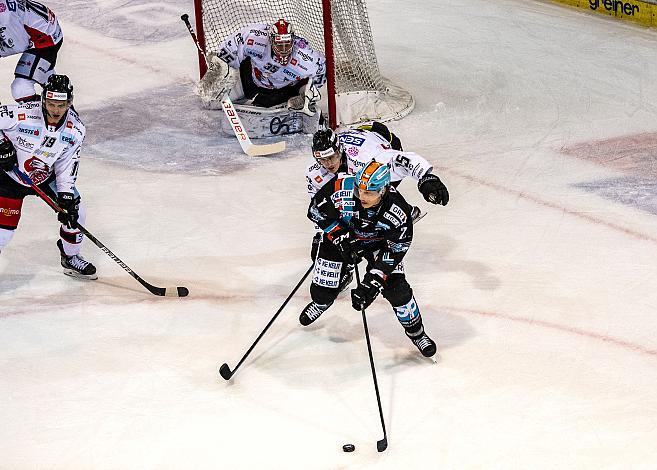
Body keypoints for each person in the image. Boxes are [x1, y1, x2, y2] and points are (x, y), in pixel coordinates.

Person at [302, 159, 437, 357]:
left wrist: (371, 285)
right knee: (321, 292)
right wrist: (340, 235)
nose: (362, 196)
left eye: (369, 192)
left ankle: (417, 333)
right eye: (360, 190)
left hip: (379, 245)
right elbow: (315, 210)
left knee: (398, 291)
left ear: (383, 190)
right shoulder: (342, 185)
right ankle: (323, 301)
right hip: (343, 236)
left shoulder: (398, 211)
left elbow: (395, 249)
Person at [305, 122, 449, 290]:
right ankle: (348, 263)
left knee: (370, 191)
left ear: (340, 150)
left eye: (332, 157)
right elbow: (321, 205)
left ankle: (403, 210)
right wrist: (324, 233)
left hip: (382, 140)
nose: (328, 164)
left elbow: (402, 161)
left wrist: (426, 178)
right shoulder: (314, 171)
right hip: (358, 136)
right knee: (344, 206)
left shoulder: (365, 158)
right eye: (322, 159)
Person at [0, 74, 96, 279]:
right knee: (3, 234)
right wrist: (2, 146)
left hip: (45, 177)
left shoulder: (76, 130)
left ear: (69, 103)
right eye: (51, 103)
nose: (55, 110)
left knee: (76, 213)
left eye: (61, 105)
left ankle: (70, 257)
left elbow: (67, 163)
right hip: (9, 176)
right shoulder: (22, 114)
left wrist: (66, 195)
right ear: (43, 100)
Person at [211, 18, 326, 114]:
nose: (284, 50)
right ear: (271, 40)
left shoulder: (304, 57)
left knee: (261, 108)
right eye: (279, 45)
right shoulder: (256, 38)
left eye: (287, 44)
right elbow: (237, 41)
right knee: (211, 102)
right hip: (250, 79)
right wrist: (222, 63)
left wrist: (306, 94)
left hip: (281, 91)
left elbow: (322, 68)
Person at [0, 0, 64, 102]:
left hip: (46, 41)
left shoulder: (5, 16)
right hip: (44, 31)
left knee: (20, 89)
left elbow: (20, 44)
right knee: (44, 76)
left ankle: (46, 115)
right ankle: (64, 106)